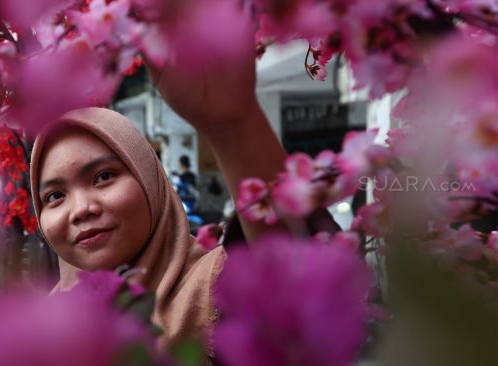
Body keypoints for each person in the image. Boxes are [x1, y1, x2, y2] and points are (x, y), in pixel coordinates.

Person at [29, 45, 339, 361]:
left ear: (151, 181)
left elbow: (292, 273)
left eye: (104, 176)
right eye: (54, 196)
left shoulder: (215, 292)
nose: (81, 208)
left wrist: (233, 126)